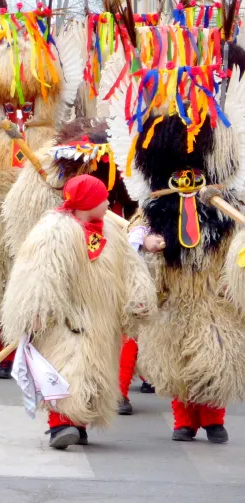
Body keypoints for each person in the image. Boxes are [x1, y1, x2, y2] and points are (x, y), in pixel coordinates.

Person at [107, 18, 245, 445]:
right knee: (176, 353)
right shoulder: (154, 206)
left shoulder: (225, 203)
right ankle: (184, 418)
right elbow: (132, 236)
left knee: (214, 347)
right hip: (173, 291)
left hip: (211, 291)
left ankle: (214, 416)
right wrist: (146, 242)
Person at [0, 4, 85, 378]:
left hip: (40, 224)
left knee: (39, 288)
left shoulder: (53, 136)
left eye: (25, 102)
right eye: (9, 104)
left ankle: (35, 353)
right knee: (0, 288)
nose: (18, 111)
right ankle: (4, 354)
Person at [1, 175, 156, 449]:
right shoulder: (53, 231)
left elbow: (130, 265)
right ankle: (60, 424)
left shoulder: (110, 230)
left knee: (94, 372)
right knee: (64, 368)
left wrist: (138, 296)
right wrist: (36, 308)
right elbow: (39, 273)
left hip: (101, 317)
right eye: (102, 198)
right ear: (88, 203)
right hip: (66, 317)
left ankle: (79, 423)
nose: (108, 202)